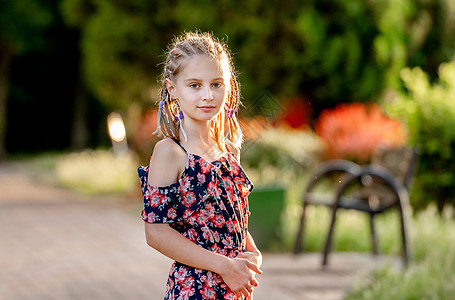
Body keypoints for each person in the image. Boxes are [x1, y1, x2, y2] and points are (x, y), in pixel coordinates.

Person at [138, 31, 262, 300]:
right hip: (195, 289)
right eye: (194, 85)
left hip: (233, 288)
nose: (208, 95)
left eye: (217, 84)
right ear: (173, 88)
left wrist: (252, 253)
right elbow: (156, 232)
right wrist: (224, 266)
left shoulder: (228, 150)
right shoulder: (170, 152)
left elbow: (231, 221)